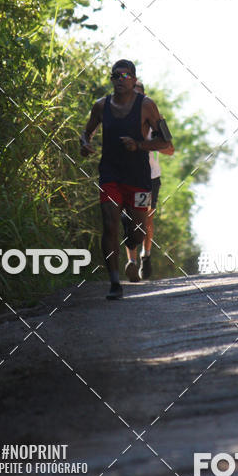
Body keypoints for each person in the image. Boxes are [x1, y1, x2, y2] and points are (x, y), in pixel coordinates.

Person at [80, 60, 173, 300]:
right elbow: (86, 132)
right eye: (116, 76)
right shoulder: (101, 106)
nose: (120, 80)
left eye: (125, 76)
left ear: (134, 79)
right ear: (111, 79)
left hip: (139, 178)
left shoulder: (147, 106)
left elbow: (166, 142)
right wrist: (85, 144)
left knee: (137, 235)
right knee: (109, 224)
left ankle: (130, 226)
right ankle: (114, 282)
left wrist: (139, 145)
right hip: (110, 175)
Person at [125, 81, 174, 280]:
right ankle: (131, 262)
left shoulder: (157, 121)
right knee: (130, 218)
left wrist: (148, 144)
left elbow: (170, 150)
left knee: (146, 219)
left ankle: (146, 256)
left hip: (150, 176)